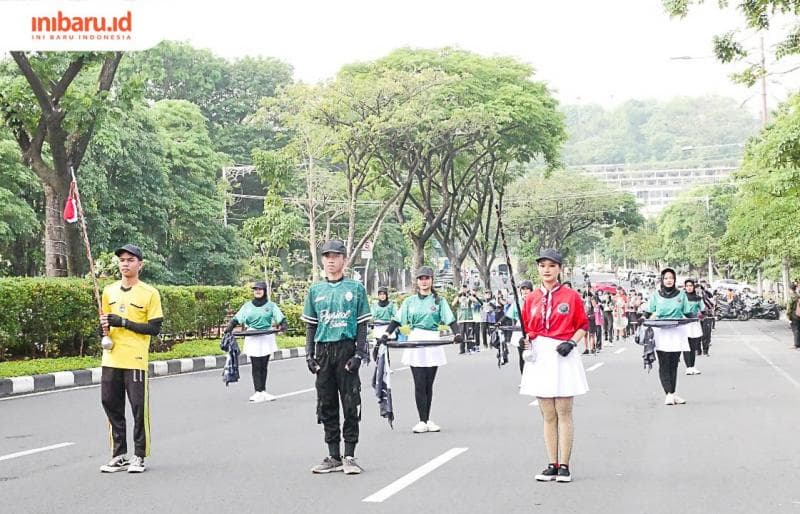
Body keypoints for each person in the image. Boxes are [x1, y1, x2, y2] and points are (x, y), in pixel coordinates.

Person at [302, 240, 371, 475]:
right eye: (327, 256)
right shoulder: (315, 291)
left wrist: (359, 354)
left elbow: (362, 325)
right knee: (326, 403)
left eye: (336, 255)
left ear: (344, 259)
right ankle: (333, 455)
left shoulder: (355, 288)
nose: (331, 260)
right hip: (323, 351)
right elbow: (311, 327)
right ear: (322, 260)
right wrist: (309, 355)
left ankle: (349, 455)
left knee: (351, 403)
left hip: (346, 349)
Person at [520, 249, 589, 483]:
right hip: (540, 355)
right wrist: (524, 340)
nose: (546, 270)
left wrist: (571, 342)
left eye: (551, 266)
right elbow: (527, 328)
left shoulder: (571, 297)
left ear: (559, 269)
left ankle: (565, 466)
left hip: (563, 354)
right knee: (547, 413)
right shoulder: (530, 299)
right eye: (542, 266)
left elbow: (582, 325)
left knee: (564, 411)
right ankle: (552, 463)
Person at [99, 244, 163, 474]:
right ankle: (118, 454)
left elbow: (154, 328)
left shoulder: (149, 293)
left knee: (138, 408)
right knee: (110, 404)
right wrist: (105, 328)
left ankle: (139, 455)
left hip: (135, 358)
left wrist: (124, 322)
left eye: (130, 260)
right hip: (111, 357)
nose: (125, 263)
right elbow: (105, 323)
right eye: (122, 260)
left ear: (140, 264)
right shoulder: (108, 291)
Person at [380, 266, 462, 433]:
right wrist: (387, 334)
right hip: (415, 340)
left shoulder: (439, 301)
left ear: (432, 280)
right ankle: (421, 420)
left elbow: (450, 319)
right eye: (421, 278)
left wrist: (458, 334)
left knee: (428, 384)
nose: (424, 281)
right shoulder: (409, 301)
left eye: (427, 278)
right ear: (417, 282)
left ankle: (427, 418)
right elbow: (397, 320)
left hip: (432, 339)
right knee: (419, 382)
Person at [224, 281, 287, 403]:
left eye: (260, 289)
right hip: (252, 336)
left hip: (266, 336)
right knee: (256, 365)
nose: (257, 291)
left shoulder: (271, 306)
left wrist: (283, 324)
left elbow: (279, 317)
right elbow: (237, 318)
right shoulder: (247, 306)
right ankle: (257, 391)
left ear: (264, 291)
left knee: (264, 365)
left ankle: (263, 391)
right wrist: (230, 327)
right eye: (255, 289)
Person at [643, 268, 694, 406]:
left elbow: (688, 312)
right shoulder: (656, 295)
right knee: (664, 362)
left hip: (677, 331)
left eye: (671, 277)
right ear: (662, 280)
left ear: (675, 279)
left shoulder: (681, 295)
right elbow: (648, 311)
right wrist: (642, 318)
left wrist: (699, 316)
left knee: (674, 363)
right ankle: (668, 394)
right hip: (661, 331)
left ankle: (672, 392)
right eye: (666, 278)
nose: (669, 280)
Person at [499, 280, 534, 375]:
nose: (525, 291)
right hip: (520, 329)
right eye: (523, 289)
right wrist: (499, 323)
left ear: (531, 290)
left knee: (533, 355)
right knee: (522, 355)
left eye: (527, 289)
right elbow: (508, 315)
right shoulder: (517, 302)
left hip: (534, 327)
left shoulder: (536, 300)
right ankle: (524, 378)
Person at [682, 279, 703, 375]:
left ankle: (693, 366)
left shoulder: (698, 298)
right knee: (686, 346)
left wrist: (702, 314)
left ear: (694, 287)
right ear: (685, 287)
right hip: (685, 323)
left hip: (695, 323)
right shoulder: (682, 297)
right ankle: (688, 367)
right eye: (687, 286)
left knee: (693, 346)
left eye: (691, 285)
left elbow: (702, 309)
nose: (689, 287)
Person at [788, 284, 800, 350]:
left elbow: (789, 308)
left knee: (795, 330)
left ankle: (797, 345)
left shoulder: (792, 297)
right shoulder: (798, 295)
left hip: (794, 315)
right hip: (799, 314)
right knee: (798, 329)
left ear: (790, 289)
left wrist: (788, 317)